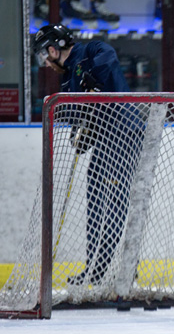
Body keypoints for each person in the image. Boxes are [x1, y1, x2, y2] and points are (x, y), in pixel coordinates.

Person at [32, 24, 143, 286]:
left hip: (123, 132)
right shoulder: (68, 77)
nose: (45, 63)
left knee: (114, 201)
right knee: (95, 201)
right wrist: (79, 133)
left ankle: (109, 269)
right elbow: (74, 114)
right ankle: (93, 266)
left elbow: (108, 59)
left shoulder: (92, 49)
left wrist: (92, 80)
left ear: (52, 49)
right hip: (104, 139)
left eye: (43, 56)